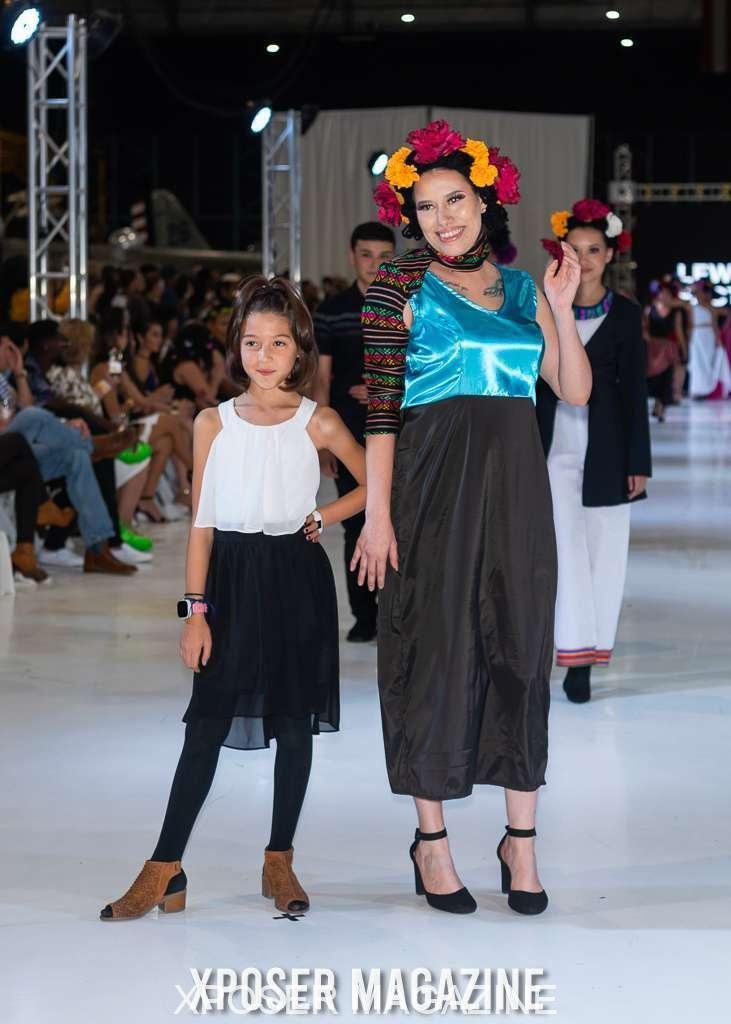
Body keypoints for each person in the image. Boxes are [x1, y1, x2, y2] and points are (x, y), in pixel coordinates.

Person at [352, 120, 591, 917]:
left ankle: (520, 840)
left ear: (485, 201)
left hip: (516, 492)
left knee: (520, 648)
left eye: (454, 200)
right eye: (425, 207)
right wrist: (377, 516)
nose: (442, 218)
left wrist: (560, 308)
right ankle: (432, 841)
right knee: (434, 652)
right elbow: (380, 412)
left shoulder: (523, 290)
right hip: (429, 490)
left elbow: (574, 389)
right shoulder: (396, 287)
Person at [99, 276, 366, 921]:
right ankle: (165, 865)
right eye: (252, 342)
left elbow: (379, 485)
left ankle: (280, 860)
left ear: (299, 350)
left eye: (278, 343)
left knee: (294, 723)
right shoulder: (211, 422)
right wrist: (195, 612)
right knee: (206, 724)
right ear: (236, 348)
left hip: (297, 578)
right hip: (230, 579)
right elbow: (201, 525)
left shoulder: (319, 421)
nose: (264, 356)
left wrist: (324, 516)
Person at [536, 200, 651, 703]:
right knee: (563, 552)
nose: (583, 260)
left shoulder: (625, 314)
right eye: (574, 250)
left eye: (593, 250)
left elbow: (636, 392)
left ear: (609, 255)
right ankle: (571, 653)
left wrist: (638, 462)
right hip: (553, 447)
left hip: (608, 448)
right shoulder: (542, 307)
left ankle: (592, 650)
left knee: (606, 554)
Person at [313, 222, 396, 642]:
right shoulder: (331, 310)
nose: (374, 264)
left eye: (384, 257)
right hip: (347, 432)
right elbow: (321, 379)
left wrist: (386, 388)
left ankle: (396, 612)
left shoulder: (407, 304)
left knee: (400, 519)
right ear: (352, 256)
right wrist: (321, 442)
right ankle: (364, 616)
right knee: (354, 522)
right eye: (366, 255)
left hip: (400, 427)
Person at [0, 334, 136, 576]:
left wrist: (19, 372)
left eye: (12, 348)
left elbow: (20, 409)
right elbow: (17, 420)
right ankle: (93, 446)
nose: (10, 353)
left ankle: (98, 549)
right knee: (32, 416)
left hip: (18, 454)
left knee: (75, 457)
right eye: (5, 348)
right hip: (7, 447)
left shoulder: (5, 381)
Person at [643, 280, 684, 421]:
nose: (665, 295)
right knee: (654, 378)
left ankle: (661, 408)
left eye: (667, 293)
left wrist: (683, 349)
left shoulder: (675, 311)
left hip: (669, 350)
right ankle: (656, 405)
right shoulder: (650, 309)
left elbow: (679, 332)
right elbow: (644, 328)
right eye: (662, 293)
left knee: (667, 378)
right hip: (653, 349)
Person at [688, 280, 731, 399]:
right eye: (699, 293)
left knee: (708, 363)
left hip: (708, 336)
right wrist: (690, 340)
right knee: (697, 364)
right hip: (697, 336)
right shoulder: (691, 307)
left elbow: (714, 325)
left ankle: (708, 390)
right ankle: (697, 391)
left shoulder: (711, 308)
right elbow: (690, 325)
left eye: (704, 293)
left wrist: (718, 339)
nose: (702, 295)